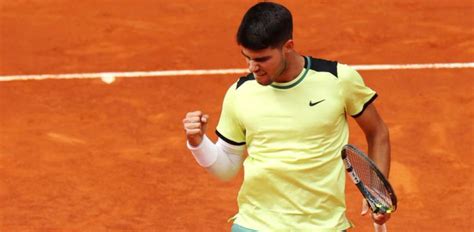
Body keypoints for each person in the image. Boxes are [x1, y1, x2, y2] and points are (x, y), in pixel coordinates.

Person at [182, 2, 392, 231]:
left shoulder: (337, 79)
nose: (253, 67)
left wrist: (377, 191)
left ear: (288, 46)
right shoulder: (239, 93)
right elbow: (226, 168)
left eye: (262, 59)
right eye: (247, 57)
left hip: (322, 225)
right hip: (256, 223)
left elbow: (377, 131)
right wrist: (198, 143)